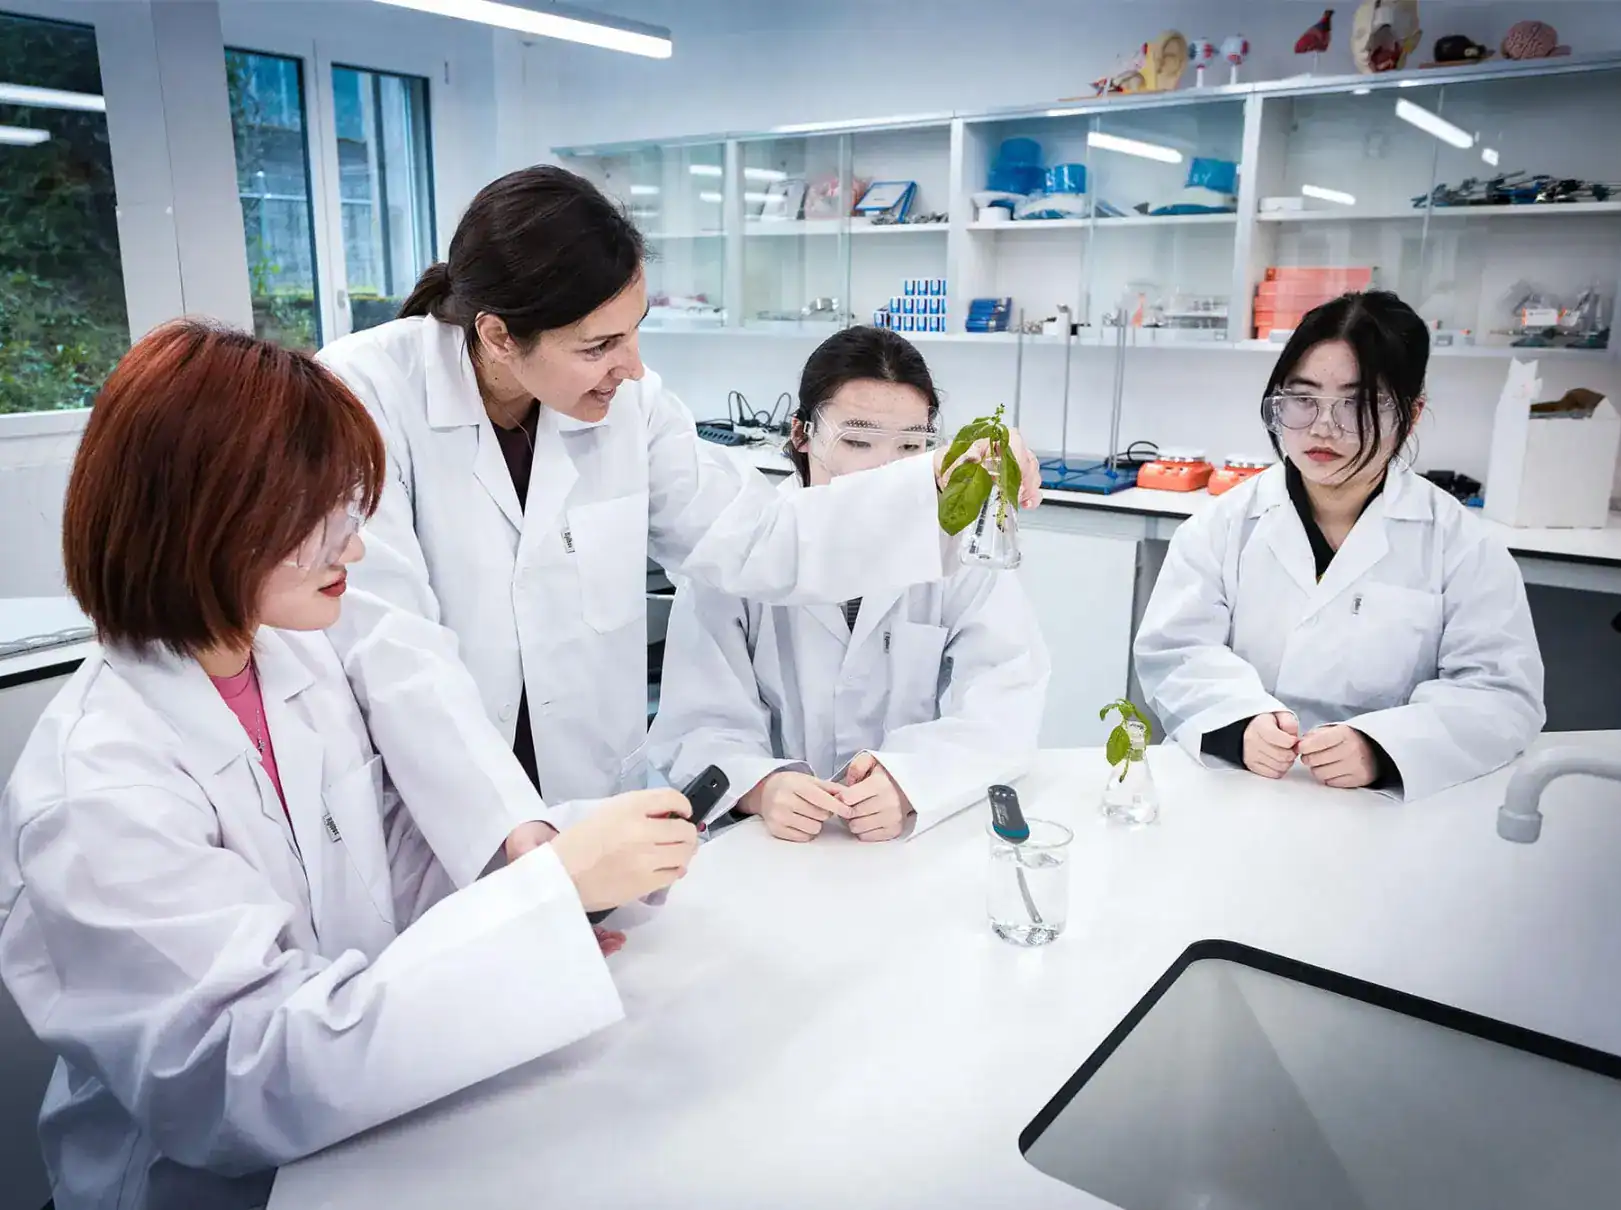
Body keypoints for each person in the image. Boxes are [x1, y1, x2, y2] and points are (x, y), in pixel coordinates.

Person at [0, 323, 698, 1210]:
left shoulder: (292, 661)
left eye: (350, 513)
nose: (355, 552)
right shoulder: (97, 788)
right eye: (320, 521)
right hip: (203, 1187)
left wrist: (558, 882)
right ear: (204, 521)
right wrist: (527, 918)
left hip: (366, 1135)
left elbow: (391, 865)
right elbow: (241, 1081)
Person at [316, 165, 1042, 882]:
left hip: (590, 805)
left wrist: (938, 482)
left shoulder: (628, 407)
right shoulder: (368, 395)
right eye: (598, 346)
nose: (630, 368)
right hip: (448, 816)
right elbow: (394, 648)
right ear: (500, 336)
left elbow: (761, 537)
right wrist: (516, 833)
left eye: (634, 332)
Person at [1132, 291, 1545, 801]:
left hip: (1385, 807)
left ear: (1411, 416)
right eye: (1303, 399)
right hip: (1240, 788)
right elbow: (1176, 651)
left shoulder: (1459, 544)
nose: (1323, 427)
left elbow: (1501, 694)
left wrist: (1384, 747)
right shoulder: (1222, 525)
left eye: (1357, 403)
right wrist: (1239, 723)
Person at [648, 327, 1049, 841]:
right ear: (801, 434)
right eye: (858, 441)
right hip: (770, 845)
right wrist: (761, 786)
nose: (887, 469)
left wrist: (911, 781)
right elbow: (697, 720)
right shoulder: (739, 548)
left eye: (911, 446)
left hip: (904, 840)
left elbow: (1004, 697)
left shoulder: (956, 550)